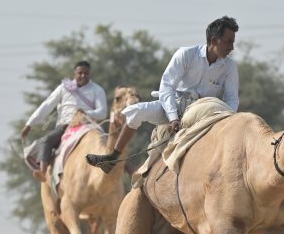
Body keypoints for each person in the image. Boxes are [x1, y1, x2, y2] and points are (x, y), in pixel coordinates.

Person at [86, 16, 240, 173]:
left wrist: (226, 122)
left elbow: (232, 100)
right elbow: (167, 86)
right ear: (213, 41)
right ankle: (113, 157)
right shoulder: (186, 54)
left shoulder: (229, 67)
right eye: (228, 42)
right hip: (175, 106)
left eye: (232, 42)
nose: (232, 47)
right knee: (136, 111)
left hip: (204, 113)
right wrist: (173, 117)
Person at [20, 61, 107, 182]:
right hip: (65, 126)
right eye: (80, 73)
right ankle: (42, 172)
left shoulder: (97, 90)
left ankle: (126, 169)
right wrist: (29, 124)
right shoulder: (64, 88)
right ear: (74, 74)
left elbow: (102, 112)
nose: (83, 76)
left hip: (88, 126)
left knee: (109, 145)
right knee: (46, 140)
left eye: (86, 73)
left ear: (89, 74)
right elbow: (47, 105)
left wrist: (86, 113)